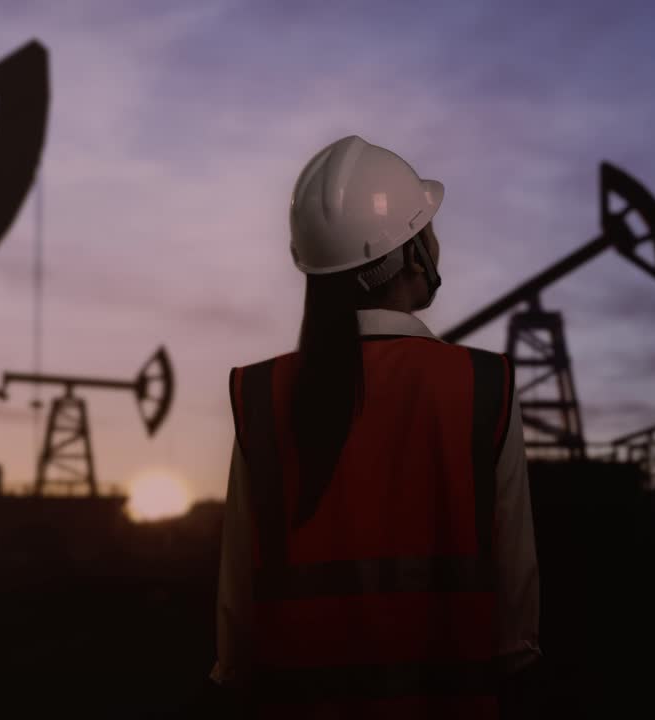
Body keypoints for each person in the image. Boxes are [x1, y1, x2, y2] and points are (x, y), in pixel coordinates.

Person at [210, 135, 541, 717]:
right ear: (411, 255)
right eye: (428, 228)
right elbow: (515, 626)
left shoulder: (257, 395)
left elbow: (237, 628)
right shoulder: (485, 385)